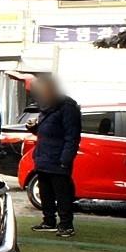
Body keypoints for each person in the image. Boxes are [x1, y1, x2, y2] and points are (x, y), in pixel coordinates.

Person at [24, 74, 81, 238]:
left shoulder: (67, 106)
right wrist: (33, 128)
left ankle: (66, 224)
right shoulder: (47, 107)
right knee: (45, 192)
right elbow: (47, 131)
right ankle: (49, 221)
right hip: (43, 157)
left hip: (57, 158)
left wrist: (65, 160)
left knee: (62, 193)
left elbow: (72, 136)